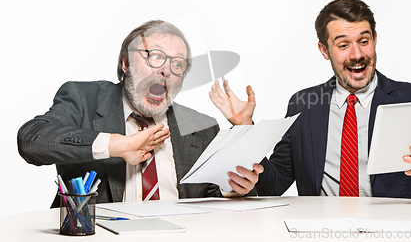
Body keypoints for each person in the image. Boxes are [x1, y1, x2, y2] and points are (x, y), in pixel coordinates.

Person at [212, 0, 411, 200]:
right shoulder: (303, 104)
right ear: (324, 50)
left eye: (364, 42)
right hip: (322, 232)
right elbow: (272, 185)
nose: (356, 55)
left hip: (393, 233)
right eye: (343, 45)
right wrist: (245, 127)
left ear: (375, 40)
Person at [18, 20, 261, 207]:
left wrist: (235, 181)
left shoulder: (201, 126)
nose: (166, 69)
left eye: (177, 64)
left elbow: (216, 202)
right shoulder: (84, 99)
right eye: (155, 56)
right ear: (125, 63)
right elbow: (32, 140)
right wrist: (116, 145)